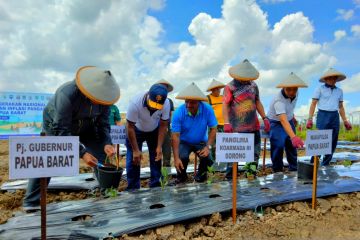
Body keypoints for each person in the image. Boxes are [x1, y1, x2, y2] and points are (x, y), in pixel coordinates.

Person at [23, 66, 120, 211]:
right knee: (46, 159)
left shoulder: (105, 100)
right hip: (56, 127)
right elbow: (61, 129)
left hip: (87, 127)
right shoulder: (67, 94)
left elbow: (103, 124)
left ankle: (108, 191)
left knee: (100, 154)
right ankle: (31, 202)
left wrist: (107, 143)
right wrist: (82, 153)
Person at [223, 59, 270, 179]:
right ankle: (230, 178)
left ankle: (251, 175)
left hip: (253, 125)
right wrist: (226, 122)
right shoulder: (230, 86)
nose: (247, 78)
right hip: (236, 127)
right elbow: (225, 104)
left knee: (254, 153)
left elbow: (257, 101)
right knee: (234, 155)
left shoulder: (253, 85)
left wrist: (264, 118)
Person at [125, 84, 170, 189]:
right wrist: (136, 150)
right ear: (148, 96)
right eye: (153, 104)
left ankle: (156, 185)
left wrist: (159, 146)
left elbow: (163, 125)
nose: (154, 108)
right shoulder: (135, 103)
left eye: (157, 106)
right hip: (135, 130)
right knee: (133, 158)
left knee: (156, 156)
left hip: (154, 129)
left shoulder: (166, 104)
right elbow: (129, 127)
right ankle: (133, 187)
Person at [172, 82, 217, 183]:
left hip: (200, 141)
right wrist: (175, 158)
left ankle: (200, 176)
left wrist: (208, 147)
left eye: (192, 102)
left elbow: (214, 128)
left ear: (199, 102)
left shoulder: (207, 109)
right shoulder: (179, 112)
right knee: (182, 157)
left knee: (207, 158)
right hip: (184, 142)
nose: (188, 105)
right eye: (186, 102)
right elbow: (175, 135)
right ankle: (182, 177)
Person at [307, 68, 352, 166]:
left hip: (334, 116)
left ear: (336, 79)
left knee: (333, 140)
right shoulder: (320, 89)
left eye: (334, 78)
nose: (332, 80)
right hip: (323, 114)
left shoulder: (339, 91)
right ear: (326, 79)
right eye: (330, 78)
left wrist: (345, 121)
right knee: (319, 140)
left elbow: (340, 107)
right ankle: (313, 164)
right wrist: (310, 119)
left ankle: (326, 163)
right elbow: (313, 103)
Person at [267, 72, 307, 172]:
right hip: (276, 122)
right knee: (279, 145)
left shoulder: (296, 93)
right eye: (288, 89)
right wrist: (293, 137)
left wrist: (292, 116)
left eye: (294, 89)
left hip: (288, 119)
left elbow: (290, 108)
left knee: (291, 146)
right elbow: (283, 120)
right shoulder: (278, 101)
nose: (291, 92)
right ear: (284, 87)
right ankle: (277, 171)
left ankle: (294, 168)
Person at [155, 79, 175, 170]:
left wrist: (169, 127)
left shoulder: (169, 101)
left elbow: (171, 115)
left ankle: (166, 172)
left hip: (166, 128)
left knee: (167, 150)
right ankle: (156, 172)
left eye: (165, 87)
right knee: (156, 150)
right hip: (155, 128)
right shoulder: (153, 99)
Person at [206, 79, 225, 161]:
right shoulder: (208, 98)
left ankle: (222, 163)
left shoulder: (223, 98)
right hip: (213, 126)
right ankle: (213, 164)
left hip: (224, 125)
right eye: (216, 89)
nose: (218, 91)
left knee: (223, 145)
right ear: (212, 90)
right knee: (213, 145)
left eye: (219, 89)